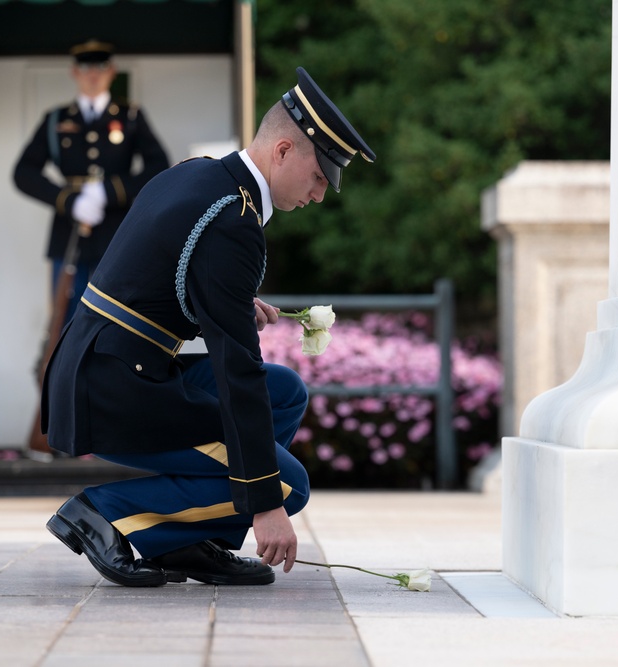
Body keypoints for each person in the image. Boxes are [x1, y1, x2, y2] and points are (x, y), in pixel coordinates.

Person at [42, 67, 376, 587]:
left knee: (283, 392)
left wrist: (225, 304)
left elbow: (149, 282)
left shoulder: (200, 174)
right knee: (288, 484)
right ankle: (102, 511)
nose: (320, 195)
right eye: (318, 177)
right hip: (111, 391)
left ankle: (188, 543)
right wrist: (264, 503)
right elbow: (236, 367)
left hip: (107, 368)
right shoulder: (233, 222)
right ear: (283, 151)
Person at [13, 39, 170, 327]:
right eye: (85, 67)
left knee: (115, 320)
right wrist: (69, 201)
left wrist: (109, 192)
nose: (92, 74)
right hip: (68, 234)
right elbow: (23, 172)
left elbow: (159, 166)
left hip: (117, 233)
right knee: (66, 321)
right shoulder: (56, 120)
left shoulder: (129, 116)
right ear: (75, 72)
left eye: (99, 66)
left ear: (111, 71)